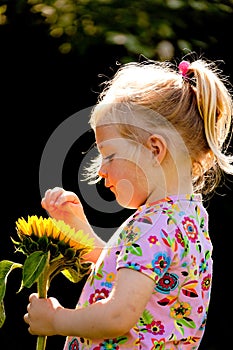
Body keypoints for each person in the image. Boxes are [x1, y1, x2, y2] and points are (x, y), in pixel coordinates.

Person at [24, 55, 233, 349]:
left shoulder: (154, 224)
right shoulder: (184, 218)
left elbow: (119, 315)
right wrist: (76, 227)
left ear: (154, 149)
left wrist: (57, 320)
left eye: (109, 154)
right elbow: (124, 271)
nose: (100, 169)